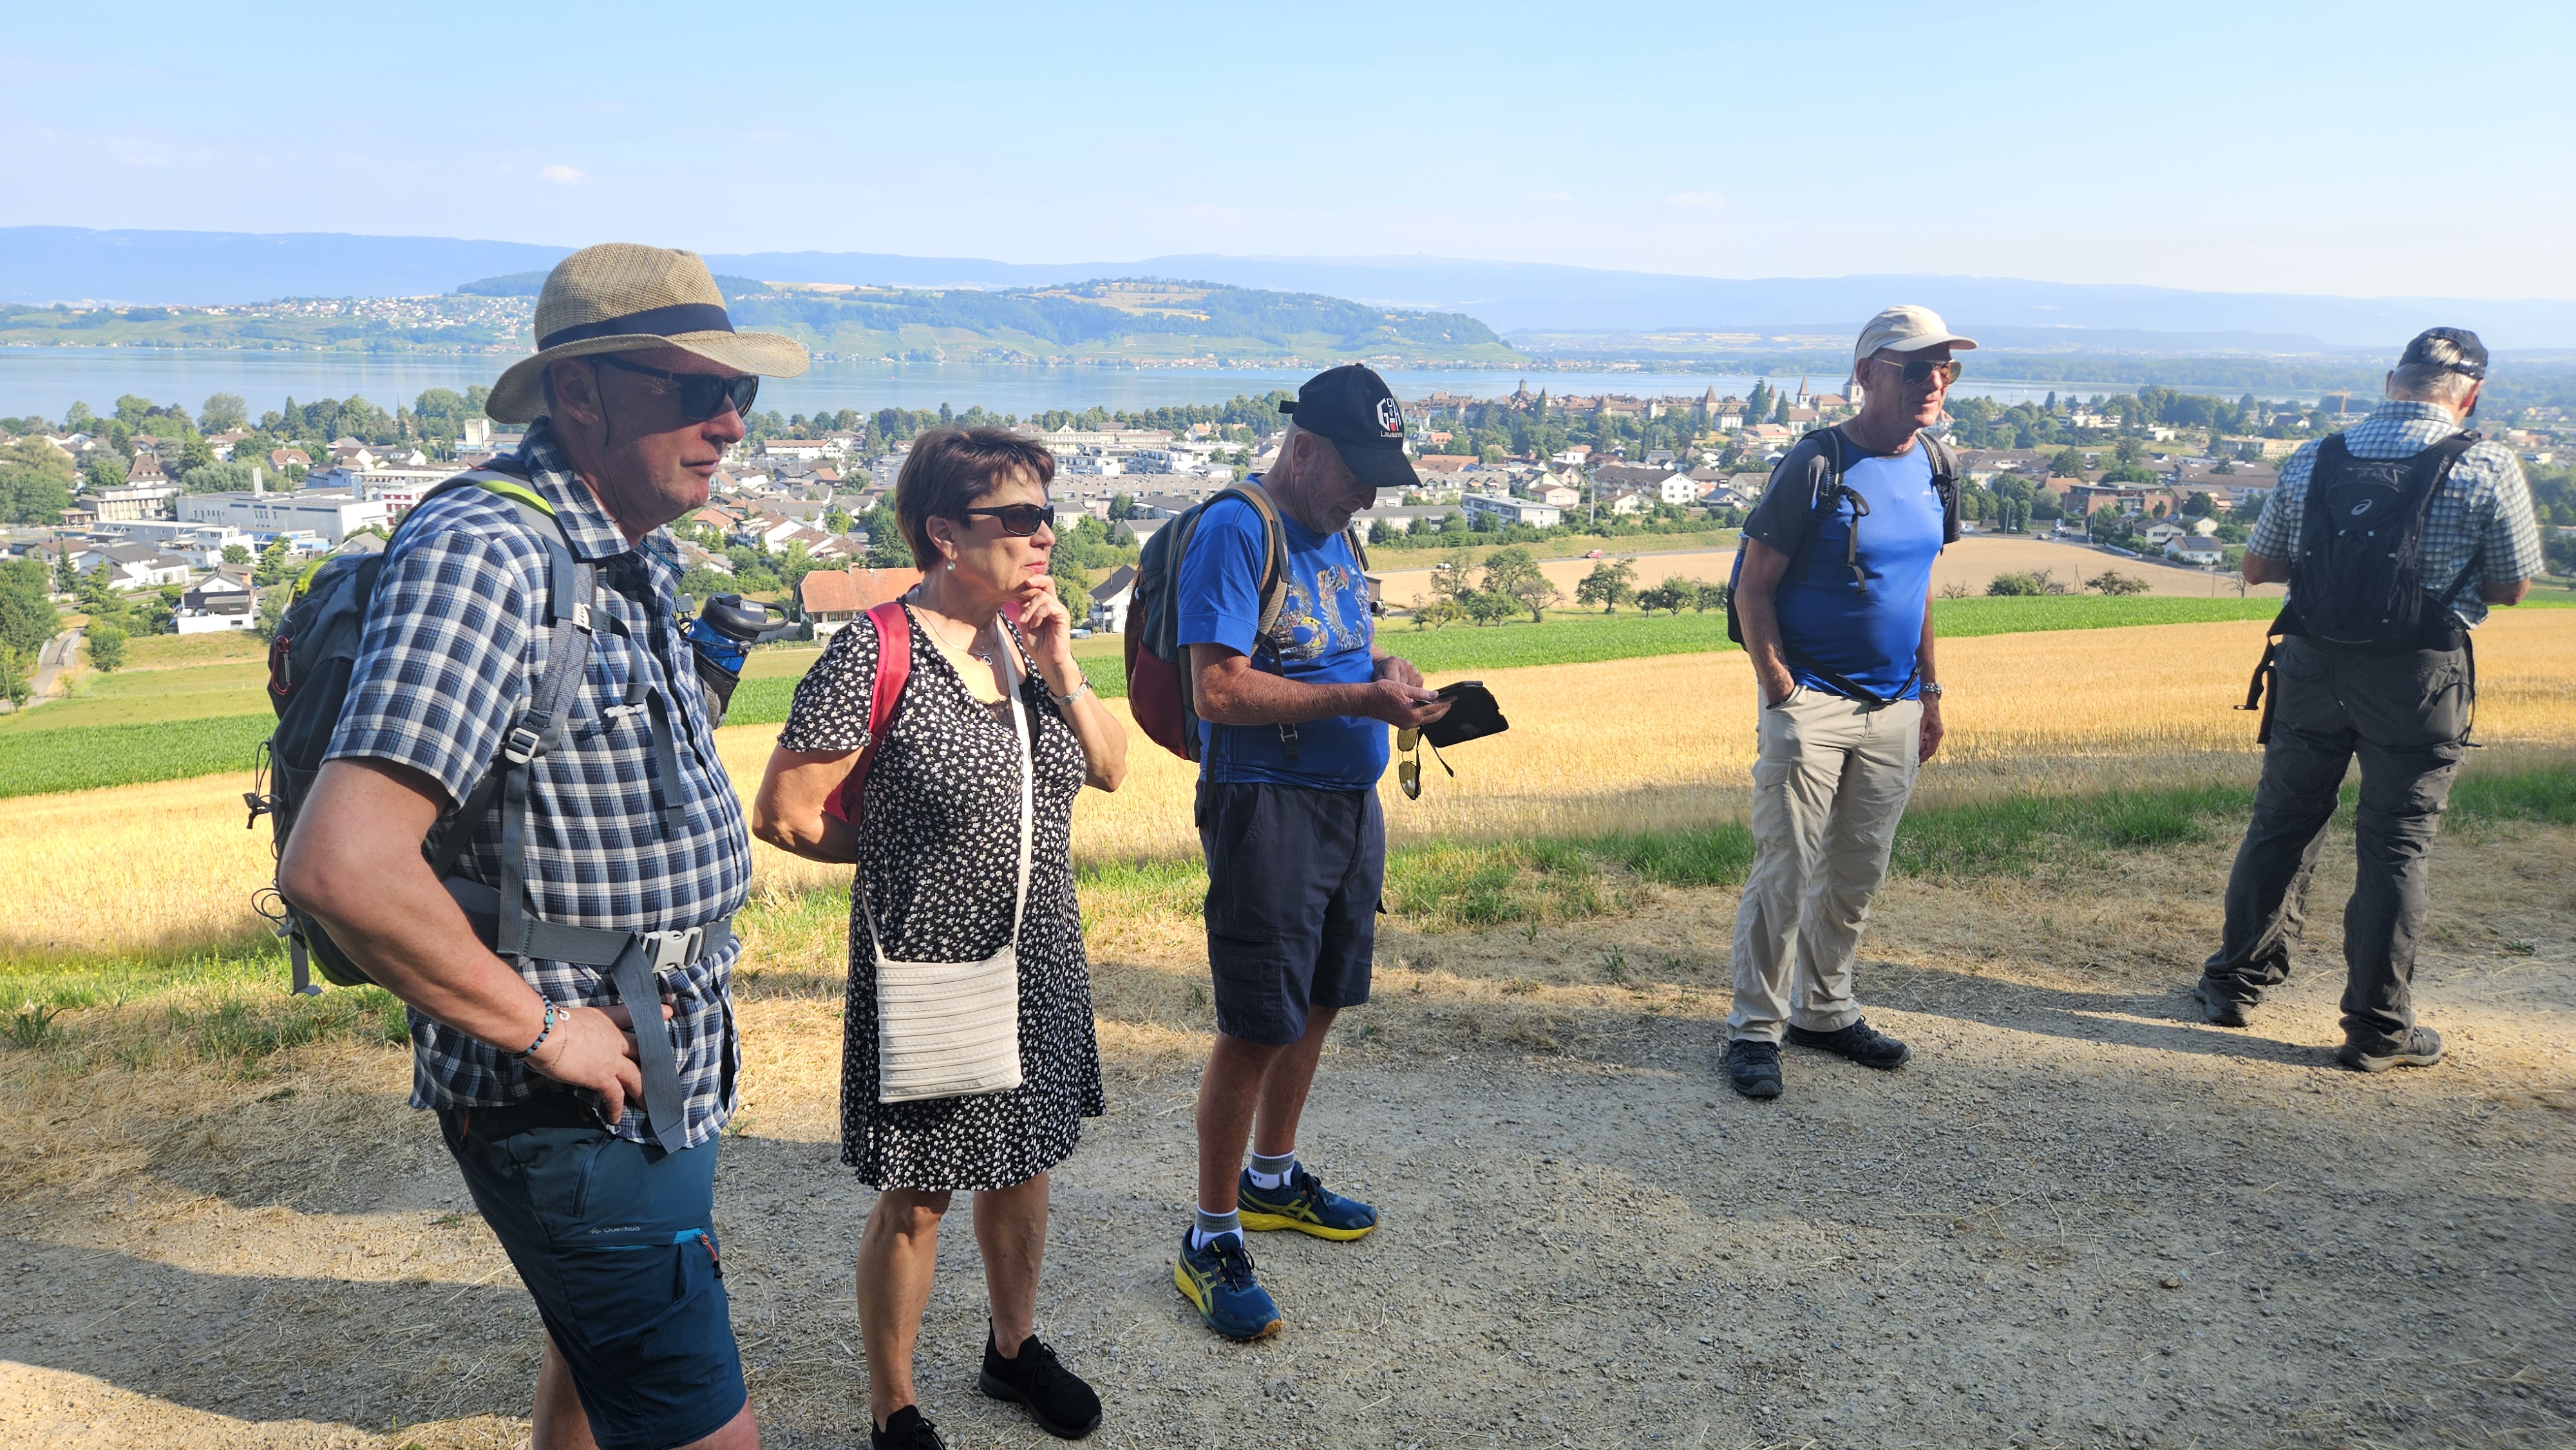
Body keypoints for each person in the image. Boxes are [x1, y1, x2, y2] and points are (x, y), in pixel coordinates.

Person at [279, 243, 808, 1450]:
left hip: (649, 1067)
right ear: (580, 393)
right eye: (694, 390)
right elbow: (342, 864)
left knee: (589, 1360)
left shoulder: (619, 545)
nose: (730, 422)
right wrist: (545, 1030)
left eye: (739, 391)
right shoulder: (492, 552)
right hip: (571, 1101)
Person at [752, 428, 1129, 1449]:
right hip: (931, 965)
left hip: (1040, 955)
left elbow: (1110, 769)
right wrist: (906, 857)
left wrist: (1061, 660)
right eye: (1020, 517)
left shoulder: (1026, 641)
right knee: (918, 1195)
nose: (1044, 535)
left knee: (1025, 1161)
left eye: (1047, 513)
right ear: (945, 535)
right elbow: (785, 814)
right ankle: (896, 1406)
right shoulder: (874, 652)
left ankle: (1013, 1350)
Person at [1170, 364, 1450, 1342]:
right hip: (1267, 808)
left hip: (1345, 805)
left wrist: (1386, 669)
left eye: (1380, 474)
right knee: (1257, 1021)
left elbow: (1328, 645)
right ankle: (1210, 1234)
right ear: (1302, 448)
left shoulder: (1335, 531)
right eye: (1356, 471)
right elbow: (1217, 690)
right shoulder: (1237, 529)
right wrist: (1361, 700)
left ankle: (1273, 1176)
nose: (1367, 493)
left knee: (1320, 998)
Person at [2193, 327, 2543, 1071]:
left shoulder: (2315, 456)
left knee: (2281, 822)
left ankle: (2232, 984)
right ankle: (2378, 1027)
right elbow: (2513, 586)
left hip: (2313, 665)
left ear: (2392, 381)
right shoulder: (2486, 463)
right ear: (2471, 394)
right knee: (2395, 843)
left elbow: (2257, 566)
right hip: (2418, 678)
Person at [1722, 305, 1968, 1101]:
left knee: (1857, 870)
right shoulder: (1816, 461)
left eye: (1945, 368)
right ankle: (1753, 1029)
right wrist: (1781, 692)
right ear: (1865, 374)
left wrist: (1929, 690)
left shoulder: (1936, 463)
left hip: (1896, 704)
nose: (1933, 381)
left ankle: (1824, 1012)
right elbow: (1752, 585)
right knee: (1785, 870)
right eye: (1914, 367)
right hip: (1813, 701)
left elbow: (1916, 587)